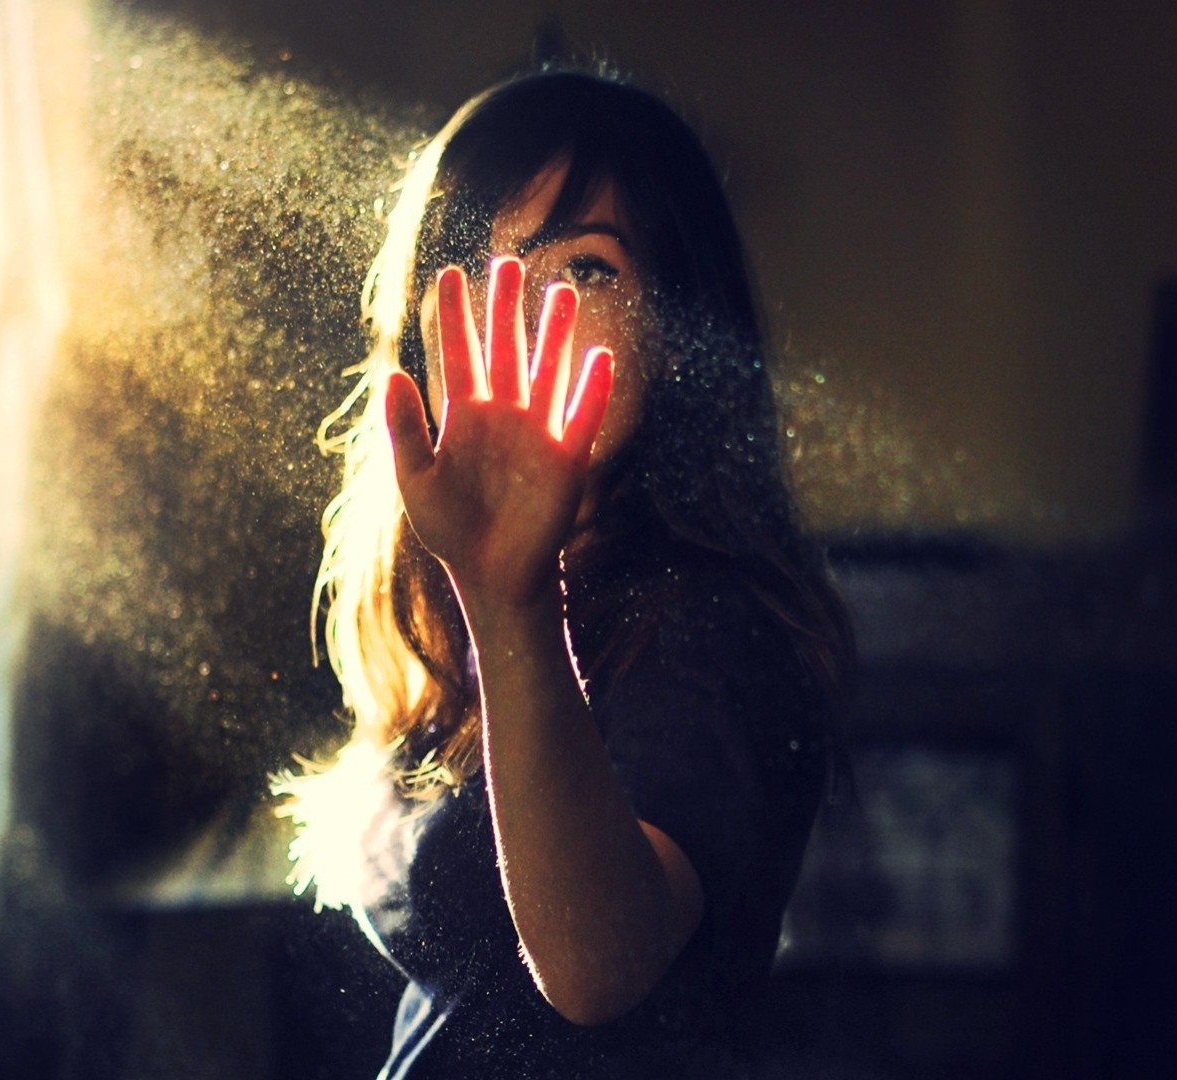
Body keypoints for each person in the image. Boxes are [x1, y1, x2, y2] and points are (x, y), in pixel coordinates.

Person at [275, 67, 853, 1079]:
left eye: (583, 271)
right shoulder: (459, 609)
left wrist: (508, 599)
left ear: (677, 331)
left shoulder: (709, 628)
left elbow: (594, 966)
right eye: (476, 273)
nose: (518, 321)